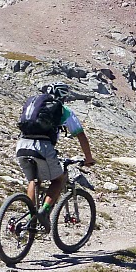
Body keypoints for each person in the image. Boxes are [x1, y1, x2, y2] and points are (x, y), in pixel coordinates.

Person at [15, 82, 96, 231]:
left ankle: (30, 219)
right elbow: (80, 135)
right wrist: (88, 158)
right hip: (42, 147)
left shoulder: (34, 107)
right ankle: (44, 212)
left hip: (21, 145)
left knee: (34, 180)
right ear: (64, 97)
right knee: (59, 179)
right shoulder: (62, 110)